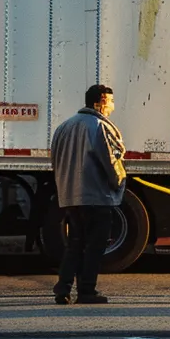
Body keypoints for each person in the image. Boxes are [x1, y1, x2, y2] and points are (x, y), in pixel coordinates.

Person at [49, 84, 126, 305]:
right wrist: (118, 182)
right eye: (110, 101)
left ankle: (62, 288)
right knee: (94, 245)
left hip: (70, 196)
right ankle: (86, 291)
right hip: (96, 196)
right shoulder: (99, 126)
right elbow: (111, 162)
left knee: (75, 243)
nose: (112, 106)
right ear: (101, 101)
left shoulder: (64, 126)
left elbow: (55, 160)